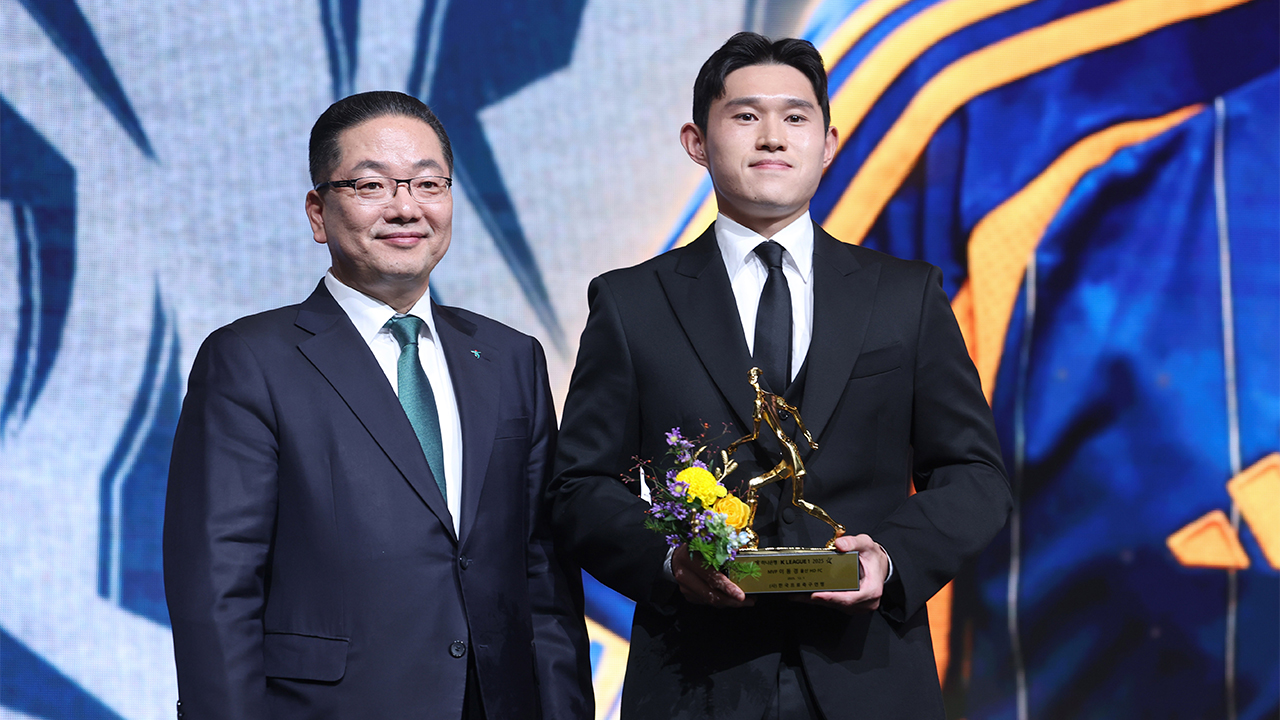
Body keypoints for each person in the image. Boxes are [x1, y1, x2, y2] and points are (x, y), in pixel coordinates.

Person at [549, 33, 1011, 719]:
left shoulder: (905, 295)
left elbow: (974, 473)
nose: (772, 136)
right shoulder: (631, 302)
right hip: (694, 680)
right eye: (745, 115)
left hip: (871, 677)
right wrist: (670, 562)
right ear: (696, 142)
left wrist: (889, 559)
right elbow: (579, 486)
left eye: (795, 117)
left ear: (828, 143)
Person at [163, 90, 592, 720]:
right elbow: (216, 585)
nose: (405, 208)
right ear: (318, 213)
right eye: (370, 185)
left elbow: (543, 573)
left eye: (428, 184)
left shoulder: (510, 358)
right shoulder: (249, 360)